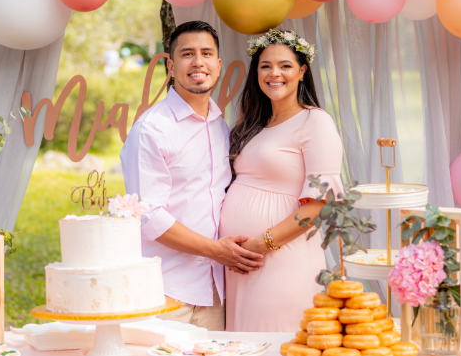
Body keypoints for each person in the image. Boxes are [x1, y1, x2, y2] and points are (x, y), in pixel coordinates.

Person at [120, 21, 264, 331]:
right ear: (171, 66)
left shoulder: (219, 124)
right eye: (187, 54)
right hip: (167, 292)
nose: (198, 62)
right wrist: (216, 251)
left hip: (216, 291)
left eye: (206, 53)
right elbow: (150, 218)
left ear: (218, 64)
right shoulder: (152, 130)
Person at [219, 29, 344, 332]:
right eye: (265, 66)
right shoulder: (253, 124)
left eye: (285, 65)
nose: (274, 73)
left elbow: (320, 205)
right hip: (242, 262)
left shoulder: (315, 121)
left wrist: (261, 244)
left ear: (302, 72)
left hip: (280, 259)